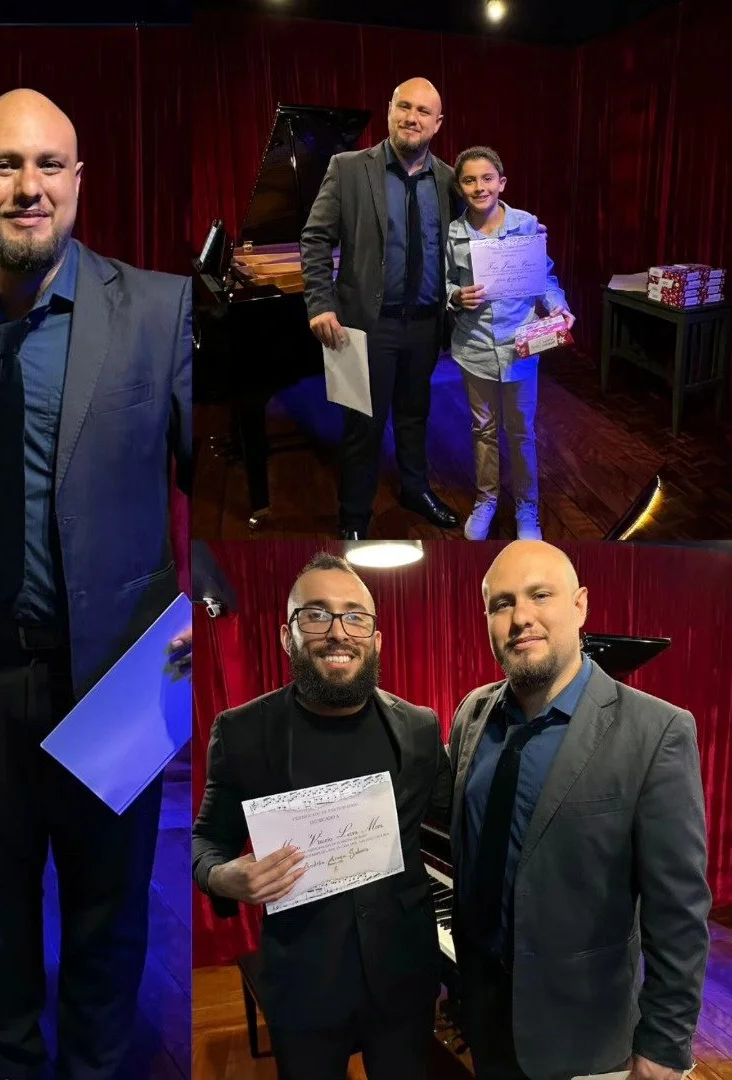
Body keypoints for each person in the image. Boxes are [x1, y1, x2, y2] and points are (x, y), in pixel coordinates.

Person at [0, 89, 192, 1080]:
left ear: (80, 181)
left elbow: (217, 485)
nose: (29, 187)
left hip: (121, 682)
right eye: (5, 166)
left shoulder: (166, 311)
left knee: (109, 922)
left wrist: (209, 612)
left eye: (50, 165)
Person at [448, 541, 710, 1080]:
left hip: (584, 1037)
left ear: (580, 605)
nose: (521, 617)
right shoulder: (472, 713)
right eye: (502, 604)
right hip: (486, 1016)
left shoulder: (657, 730)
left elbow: (678, 910)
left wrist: (664, 1045)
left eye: (540, 595)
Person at [192, 553, 452, 1080]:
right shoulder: (241, 732)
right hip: (303, 987)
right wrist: (223, 876)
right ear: (287, 635)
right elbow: (205, 842)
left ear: (376, 639)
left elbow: (459, 829)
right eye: (316, 615)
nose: (339, 632)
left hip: (404, 976)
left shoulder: (420, 728)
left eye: (356, 616)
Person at [301, 76, 463, 539]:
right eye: (404, 107)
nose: (412, 118)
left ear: (437, 124)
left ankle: (414, 489)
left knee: (415, 415)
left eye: (423, 112)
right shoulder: (349, 168)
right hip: (364, 327)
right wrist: (320, 302)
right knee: (362, 428)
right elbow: (315, 238)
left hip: (426, 326)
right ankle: (354, 518)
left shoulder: (450, 179)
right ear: (390, 109)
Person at [445, 147, 575, 542]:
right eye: (469, 180)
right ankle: (486, 501)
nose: (479, 187)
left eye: (487, 179)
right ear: (460, 187)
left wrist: (559, 308)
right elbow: (442, 283)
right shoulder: (453, 233)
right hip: (474, 347)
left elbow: (545, 279)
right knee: (483, 429)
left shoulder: (527, 225)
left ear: (501, 182)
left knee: (521, 431)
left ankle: (527, 508)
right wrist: (454, 296)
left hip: (520, 347)